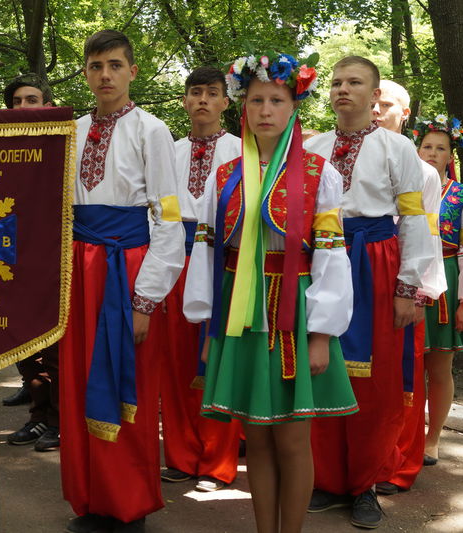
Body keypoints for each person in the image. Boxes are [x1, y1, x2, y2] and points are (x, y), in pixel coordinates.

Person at [183, 53, 357, 533]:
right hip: (240, 314)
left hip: (294, 313)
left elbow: (331, 257)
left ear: (293, 107)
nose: (265, 110)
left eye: (275, 100)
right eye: (256, 99)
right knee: (255, 439)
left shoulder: (321, 173)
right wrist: (207, 324)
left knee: (293, 440)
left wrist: (321, 333)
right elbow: (207, 254)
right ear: (243, 107)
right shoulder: (225, 176)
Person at [60, 30, 184, 533]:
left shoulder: (151, 130)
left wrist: (145, 298)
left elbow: (170, 217)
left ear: (132, 71)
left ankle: (128, 504)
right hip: (77, 265)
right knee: (76, 381)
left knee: (126, 382)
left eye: (114, 65)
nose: (104, 75)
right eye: (95, 66)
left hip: (125, 268)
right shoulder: (70, 130)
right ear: (86, 73)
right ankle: (89, 497)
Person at [304, 56, 432, 529]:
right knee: (320, 367)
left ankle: (364, 483)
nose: (343, 89)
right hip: (322, 258)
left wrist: (407, 287)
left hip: (376, 263)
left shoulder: (397, 147)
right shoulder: (311, 146)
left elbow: (415, 219)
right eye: (336, 82)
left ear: (374, 94)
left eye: (354, 82)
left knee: (373, 379)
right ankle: (326, 477)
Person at [158, 66, 241, 492]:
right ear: (186, 101)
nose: (203, 100)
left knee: (217, 356)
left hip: (223, 259)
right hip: (174, 253)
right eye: (196, 93)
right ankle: (180, 454)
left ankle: (217, 460)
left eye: (212, 93)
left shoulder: (242, 151)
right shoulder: (167, 151)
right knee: (175, 357)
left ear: (227, 102)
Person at [372, 80, 445, 495]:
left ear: (405, 114)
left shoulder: (423, 172)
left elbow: (428, 236)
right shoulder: (352, 154)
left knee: (404, 375)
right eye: (375, 103)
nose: (378, 110)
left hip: (405, 281)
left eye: (387, 105)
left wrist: (419, 292)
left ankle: (399, 462)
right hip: (364, 277)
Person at [413, 115, 463, 464]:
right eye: (426, 146)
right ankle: (405, 435)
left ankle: (432, 440)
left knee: (438, 368)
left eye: (439, 148)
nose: (431, 153)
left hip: (445, 284)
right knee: (405, 367)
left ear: (450, 156)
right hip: (408, 279)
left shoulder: (462, 197)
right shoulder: (403, 190)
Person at [0, 73, 60, 452]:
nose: (24, 107)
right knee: (24, 348)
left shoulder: (63, 144)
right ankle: (38, 418)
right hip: (10, 258)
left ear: (47, 106)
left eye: (32, 100)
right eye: (18, 101)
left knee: (54, 348)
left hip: (54, 260)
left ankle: (59, 421)